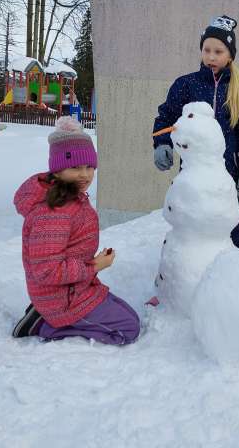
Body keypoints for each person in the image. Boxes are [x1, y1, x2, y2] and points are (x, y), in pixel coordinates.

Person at [11, 116, 141, 343]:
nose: (85, 175)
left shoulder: (71, 198)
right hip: (63, 299)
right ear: (58, 170)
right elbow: (47, 270)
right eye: (75, 167)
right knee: (128, 329)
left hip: (74, 289)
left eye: (90, 167)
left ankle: (47, 314)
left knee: (129, 314)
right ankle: (42, 325)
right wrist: (94, 266)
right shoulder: (53, 211)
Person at [152, 15, 239, 248]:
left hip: (227, 172)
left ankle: (230, 262)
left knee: (227, 220)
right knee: (191, 215)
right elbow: (167, 116)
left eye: (218, 51)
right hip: (193, 170)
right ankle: (185, 260)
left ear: (230, 54)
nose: (211, 56)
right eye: (206, 49)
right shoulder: (185, 84)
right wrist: (162, 144)